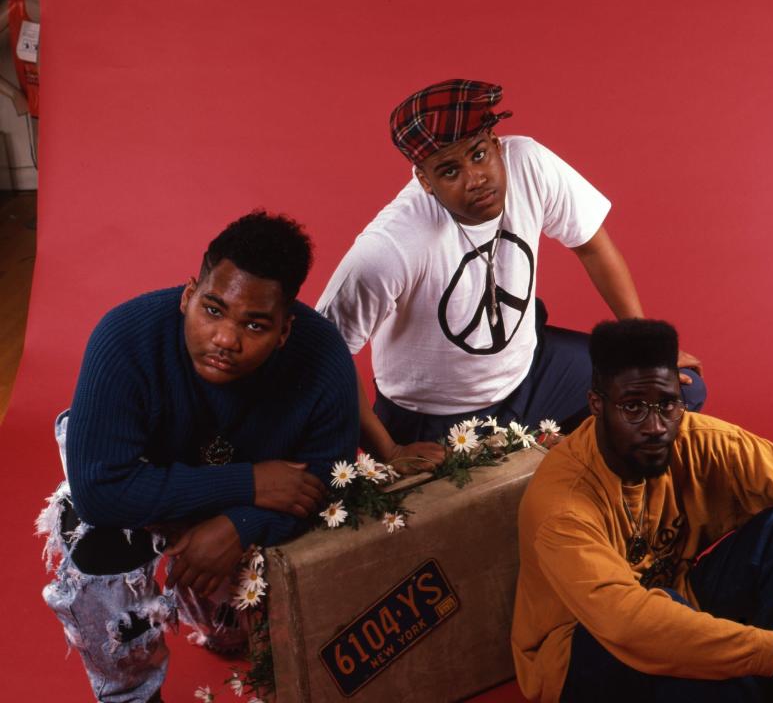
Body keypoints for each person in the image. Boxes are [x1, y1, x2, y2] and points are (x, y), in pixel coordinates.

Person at [37, 212, 358, 703]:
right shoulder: (124, 338)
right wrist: (248, 484)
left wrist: (240, 525)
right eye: (212, 310)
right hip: (138, 483)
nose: (227, 339)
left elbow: (327, 482)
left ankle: (217, 621)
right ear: (188, 296)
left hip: (230, 503)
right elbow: (102, 491)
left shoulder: (323, 356)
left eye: (254, 324)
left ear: (284, 331)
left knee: (235, 631)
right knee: (89, 532)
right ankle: (129, 696)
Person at [317, 79, 705, 472]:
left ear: (496, 143)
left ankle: (573, 477)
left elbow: (593, 246)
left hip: (531, 374)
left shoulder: (529, 164)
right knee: (475, 520)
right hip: (438, 416)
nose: (475, 179)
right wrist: (389, 451)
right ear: (425, 181)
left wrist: (643, 345)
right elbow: (325, 354)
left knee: (670, 394)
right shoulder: (390, 247)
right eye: (449, 171)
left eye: (479, 155)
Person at [511, 319, 773, 703]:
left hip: (679, 603)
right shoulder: (562, 504)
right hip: (583, 648)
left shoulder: (697, 440)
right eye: (632, 408)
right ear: (596, 404)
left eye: (667, 404)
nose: (656, 427)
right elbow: (630, 625)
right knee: (685, 641)